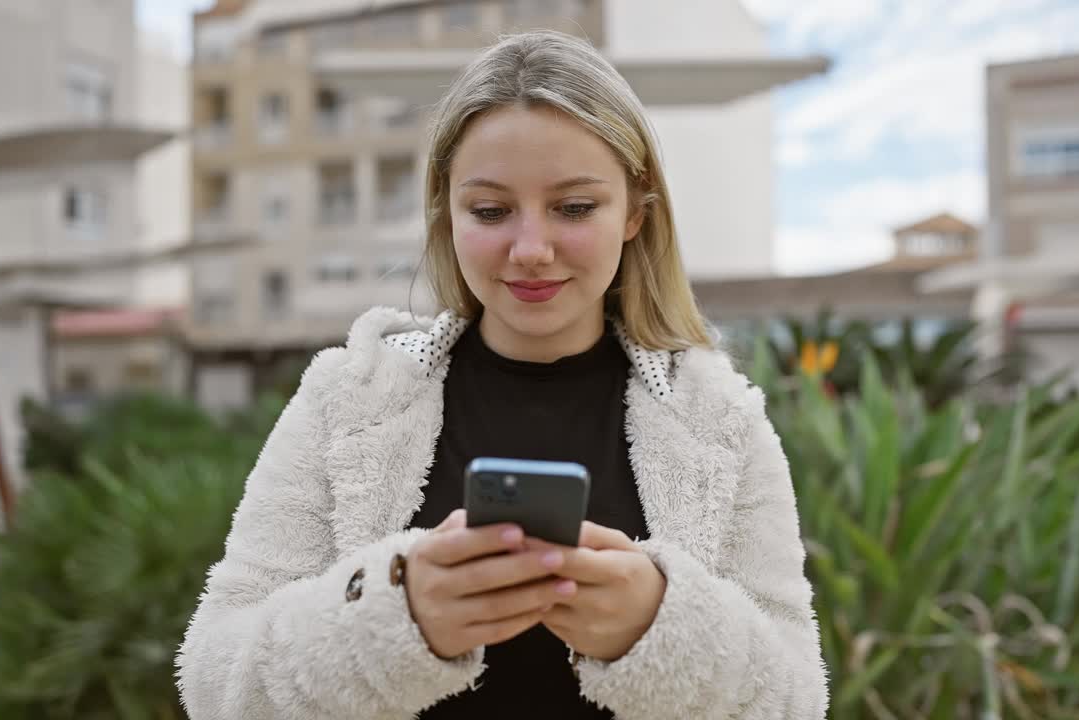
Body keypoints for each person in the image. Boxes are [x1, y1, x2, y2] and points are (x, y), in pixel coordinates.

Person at [176, 30, 828, 720]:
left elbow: (795, 700)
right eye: (490, 210)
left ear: (636, 212)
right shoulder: (348, 399)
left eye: (574, 207)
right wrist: (395, 616)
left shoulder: (719, 419)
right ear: (447, 215)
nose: (531, 249)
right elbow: (217, 683)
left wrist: (662, 626)